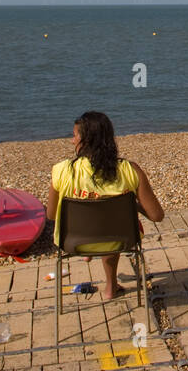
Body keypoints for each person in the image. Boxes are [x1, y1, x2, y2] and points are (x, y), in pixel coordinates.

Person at [47, 111, 164, 299]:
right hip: (121, 239)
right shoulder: (130, 170)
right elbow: (157, 215)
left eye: (74, 135)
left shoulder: (62, 171)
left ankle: (91, 252)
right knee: (113, 226)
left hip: (73, 242)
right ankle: (111, 288)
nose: (72, 141)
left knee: (103, 225)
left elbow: (51, 215)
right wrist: (131, 204)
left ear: (85, 141)